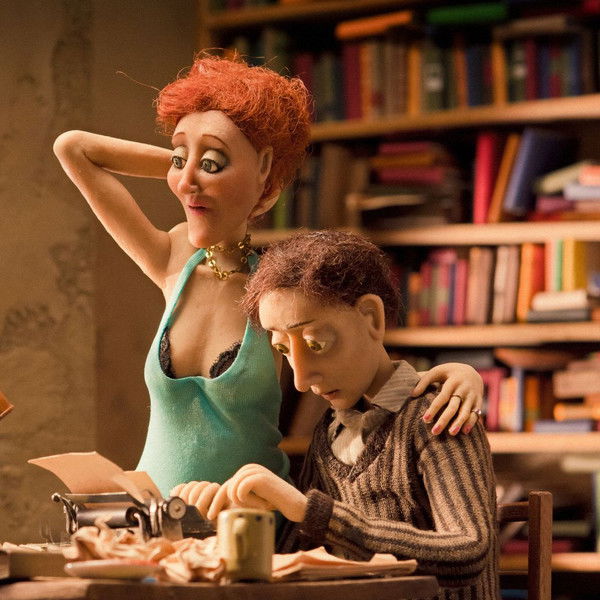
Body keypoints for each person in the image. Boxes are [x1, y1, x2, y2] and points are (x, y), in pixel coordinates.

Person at [53, 54, 484, 498]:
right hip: (154, 519)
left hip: (248, 519)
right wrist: (191, 165)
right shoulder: (174, 259)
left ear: (265, 174)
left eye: (214, 163)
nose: (185, 184)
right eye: (180, 160)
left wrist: (461, 373)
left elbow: (368, 364)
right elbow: (74, 148)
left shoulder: (280, 293)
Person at [182, 230, 499, 599]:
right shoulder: (329, 432)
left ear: (371, 318)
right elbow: (299, 553)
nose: (300, 379)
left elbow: (467, 553)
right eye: (284, 350)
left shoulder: (439, 414)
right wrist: (241, 518)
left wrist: (313, 512)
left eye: (316, 343)